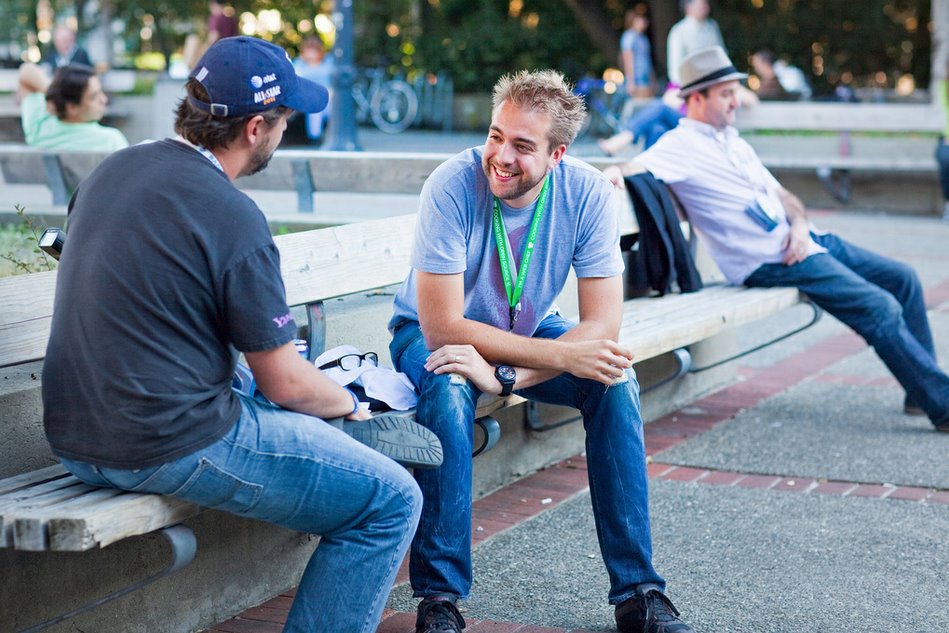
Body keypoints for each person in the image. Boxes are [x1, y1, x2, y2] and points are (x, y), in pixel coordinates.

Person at [41, 36, 422, 633]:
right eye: (284, 118)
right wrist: (351, 403)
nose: (287, 127)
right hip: (161, 442)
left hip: (73, 433)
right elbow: (288, 385)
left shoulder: (113, 170)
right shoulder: (231, 215)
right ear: (254, 129)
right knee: (392, 501)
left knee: (254, 383)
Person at [388, 69, 695, 633]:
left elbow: (603, 323)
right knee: (449, 386)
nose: (500, 156)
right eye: (494, 135)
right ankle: (439, 600)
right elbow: (440, 325)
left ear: (558, 154)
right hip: (431, 334)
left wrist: (509, 377)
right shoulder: (451, 184)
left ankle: (639, 593)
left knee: (614, 379)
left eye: (522, 146)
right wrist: (524, 364)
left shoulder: (587, 193)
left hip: (528, 334)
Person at [605, 46, 949, 430]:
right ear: (696, 98)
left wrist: (800, 227)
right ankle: (943, 405)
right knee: (879, 307)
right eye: (726, 93)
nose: (737, 101)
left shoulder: (733, 141)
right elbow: (630, 166)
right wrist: (616, 174)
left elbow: (784, 196)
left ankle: (923, 394)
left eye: (736, 91)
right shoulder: (679, 145)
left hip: (804, 241)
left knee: (904, 278)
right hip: (770, 260)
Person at [17, 61, 128, 151]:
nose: (104, 99)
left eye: (101, 92)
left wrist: (57, 94)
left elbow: (26, 71)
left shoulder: (38, 130)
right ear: (72, 107)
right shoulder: (112, 140)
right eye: (94, 96)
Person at [665, 0, 725, 85]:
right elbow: (675, 68)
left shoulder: (712, 26)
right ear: (688, 7)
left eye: (705, 3)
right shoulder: (679, 31)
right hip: (691, 84)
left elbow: (722, 55)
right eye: (701, 4)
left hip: (715, 80)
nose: (705, 6)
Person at [293, 36, 335, 143]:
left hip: (328, 96)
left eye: (314, 51)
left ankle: (332, 135)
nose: (311, 54)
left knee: (330, 107)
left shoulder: (328, 62)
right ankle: (315, 137)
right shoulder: (299, 64)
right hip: (308, 97)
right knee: (316, 107)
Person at [620, 10, 655, 100]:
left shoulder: (643, 38)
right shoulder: (629, 37)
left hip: (646, 78)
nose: (644, 22)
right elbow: (628, 59)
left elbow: (648, 60)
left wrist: (652, 79)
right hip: (637, 80)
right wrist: (631, 82)